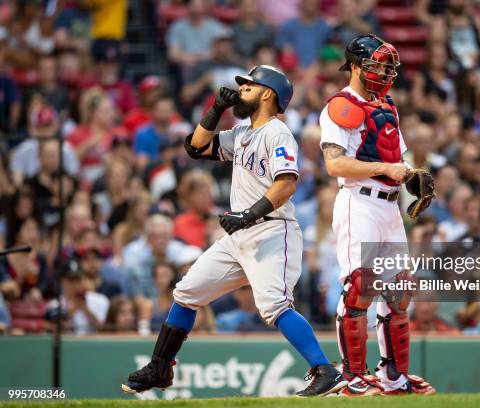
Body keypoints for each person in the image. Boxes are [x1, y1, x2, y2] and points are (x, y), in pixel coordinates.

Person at [122, 65, 346, 397]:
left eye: (249, 86)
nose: (240, 90)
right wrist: (215, 110)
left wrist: (247, 215)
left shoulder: (277, 132)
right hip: (238, 236)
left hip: (271, 231)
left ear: (267, 94)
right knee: (186, 293)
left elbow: (286, 185)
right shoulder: (241, 133)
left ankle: (325, 370)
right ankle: (160, 367)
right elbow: (196, 148)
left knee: (275, 305)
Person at [319, 34, 435, 396]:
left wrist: (413, 174)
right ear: (355, 66)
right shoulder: (340, 105)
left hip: (389, 204)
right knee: (359, 288)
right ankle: (352, 377)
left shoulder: (387, 105)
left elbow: (398, 159)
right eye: (376, 65)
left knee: (400, 292)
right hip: (359, 201)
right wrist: (388, 167)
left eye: (387, 66)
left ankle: (394, 379)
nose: (384, 72)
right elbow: (334, 163)